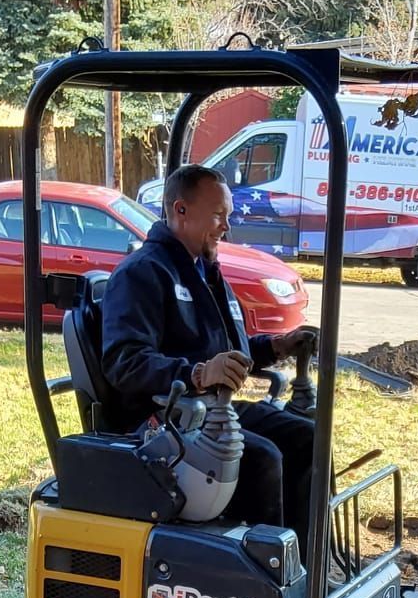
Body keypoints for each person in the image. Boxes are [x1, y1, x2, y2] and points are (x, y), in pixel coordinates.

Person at [100, 164, 318, 539]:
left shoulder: (204, 271)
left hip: (207, 414)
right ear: (180, 210)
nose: (226, 227)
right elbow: (125, 362)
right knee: (264, 458)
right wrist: (197, 374)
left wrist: (277, 346)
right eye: (219, 215)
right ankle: (267, 575)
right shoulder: (143, 274)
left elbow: (229, 352)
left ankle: (308, 566)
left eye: (228, 216)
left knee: (310, 437)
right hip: (161, 427)